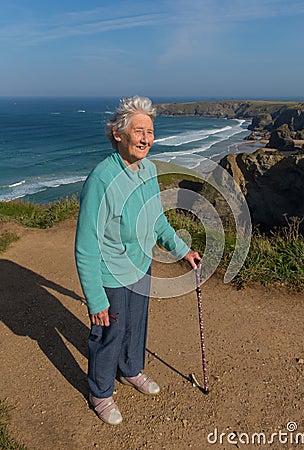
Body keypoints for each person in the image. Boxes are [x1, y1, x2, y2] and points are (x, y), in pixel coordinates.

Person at [75, 96, 201, 425]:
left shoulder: (149, 169)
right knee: (108, 331)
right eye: (138, 131)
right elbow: (86, 245)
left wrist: (182, 250)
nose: (146, 138)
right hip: (110, 272)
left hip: (140, 265)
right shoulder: (101, 179)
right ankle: (100, 392)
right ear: (118, 134)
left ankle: (131, 369)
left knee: (136, 325)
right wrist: (95, 297)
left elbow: (156, 219)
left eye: (150, 131)